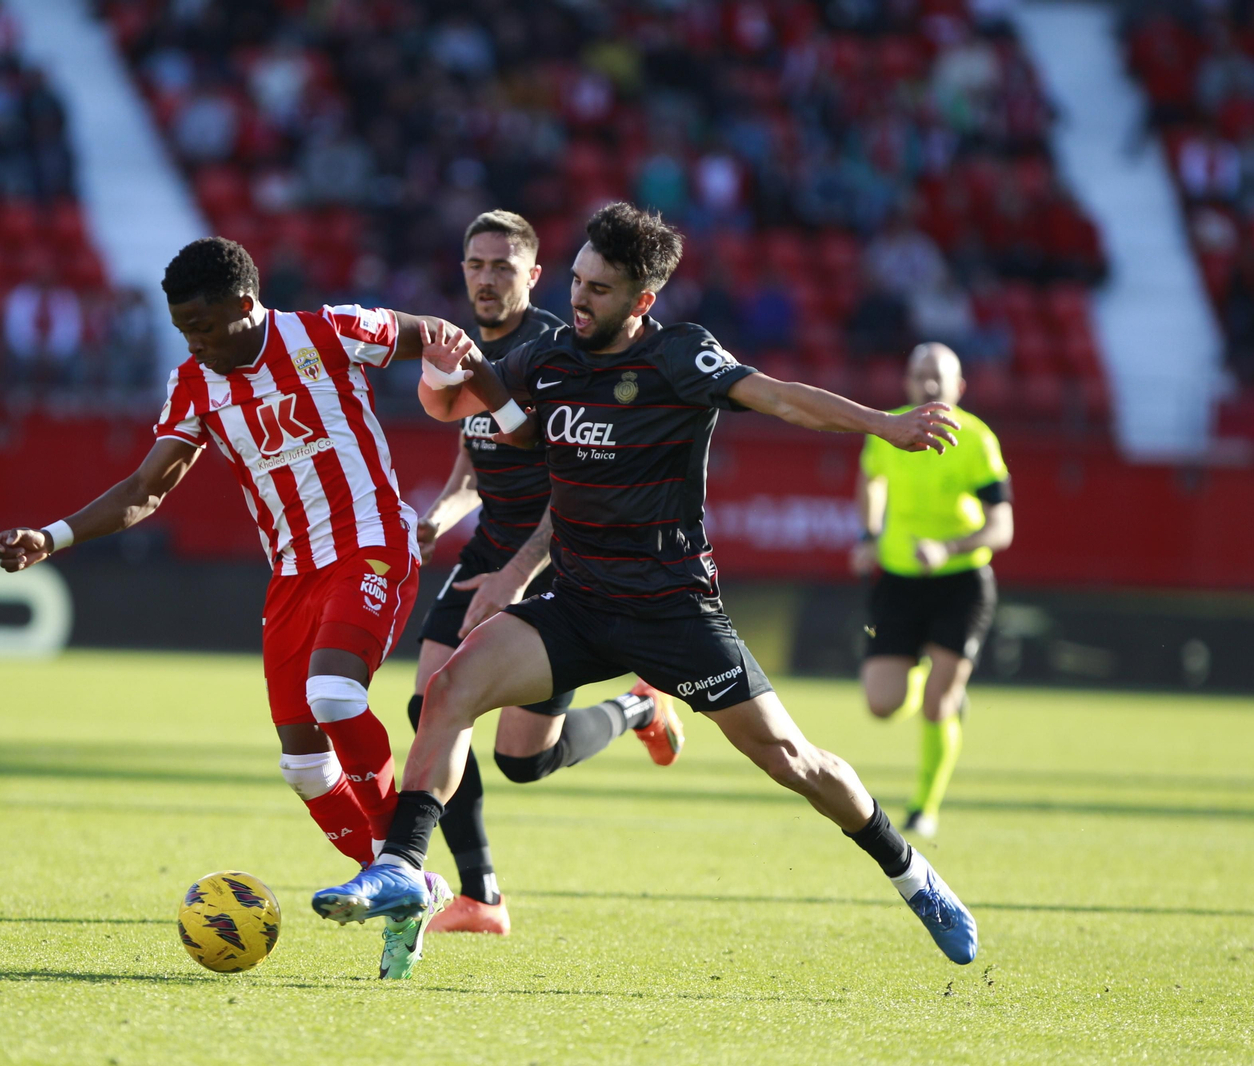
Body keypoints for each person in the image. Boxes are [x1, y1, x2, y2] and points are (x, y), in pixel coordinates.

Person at [312, 203, 979, 977]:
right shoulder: (550, 357)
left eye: (599, 289)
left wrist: (885, 425)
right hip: (579, 603)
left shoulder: (680, 358)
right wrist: (440, 363)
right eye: (577, 281)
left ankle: (913, 875)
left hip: (672, 612)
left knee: (793, 760)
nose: (580, 300)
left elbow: (784, 396)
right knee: (445, 689)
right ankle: (403, 865)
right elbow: (464, 408)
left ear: (642, 301)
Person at [0, 236, 507, 972]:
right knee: (302, 766)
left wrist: (501, 409)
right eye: (182, 330)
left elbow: (426, 333)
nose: (194, 342)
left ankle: (398, 861)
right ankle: (406, 884)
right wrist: (53, 534)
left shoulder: (327, 331)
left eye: (203, 325)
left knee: (333, 691)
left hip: (371, 546)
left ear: (244, 304)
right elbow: (147, 490)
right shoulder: (194, 385)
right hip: (292, 575)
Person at [412, 210, 684, 936]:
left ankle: (640, 709)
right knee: (431, 703)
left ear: (535, 276)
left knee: (522, 763)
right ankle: (481, 896)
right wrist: (442, 513)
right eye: (477, 264)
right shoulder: (464, 352)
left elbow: (582, 483)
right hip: (484, 553)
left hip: (559, 557)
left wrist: (524, 573)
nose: (488, 278)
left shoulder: (559, 351)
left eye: (505, 266)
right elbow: (472, 459)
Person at [850, 342, 1012, 840]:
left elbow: (1001, 527)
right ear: (907, 383)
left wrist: (948, 548)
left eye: (940, 376)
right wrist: (869, 538)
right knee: (882, 705)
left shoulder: (979, 441)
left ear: (960, 387)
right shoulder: (889, 429)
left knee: (937, 705)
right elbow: (871, 480)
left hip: (960, 583)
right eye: (921, 375)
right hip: (898, 581)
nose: (930, 384)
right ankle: (928, 677)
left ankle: (924, 806)